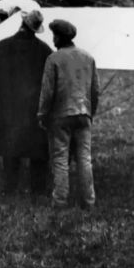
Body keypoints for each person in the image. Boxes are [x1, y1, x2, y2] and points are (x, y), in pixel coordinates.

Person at [0, 10, 52, 196]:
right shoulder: (44, 50)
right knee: (37, 146)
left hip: (7, 106)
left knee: (10, 146)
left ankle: (10, 187)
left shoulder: (1, 46)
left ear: (21, 25)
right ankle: (38, 189)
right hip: (32, 108)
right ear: (35, 29)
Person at [36, 19, 100, 210]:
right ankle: (89, 201)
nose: (53, 38)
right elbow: (95, 90)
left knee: (60, 158)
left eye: (54, 35)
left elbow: (47, 92)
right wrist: (91, 112)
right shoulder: (88, 57)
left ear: (58, 37)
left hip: (61, 115)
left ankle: (60, 201)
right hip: (84, 113)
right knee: (84, 159)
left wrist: (42, 114)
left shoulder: (53, 59)